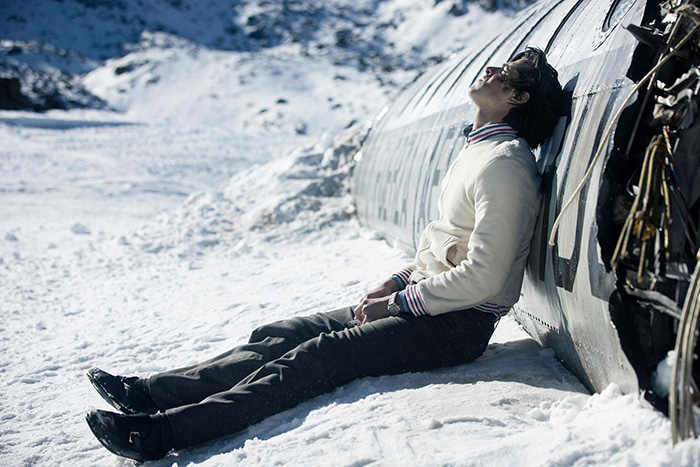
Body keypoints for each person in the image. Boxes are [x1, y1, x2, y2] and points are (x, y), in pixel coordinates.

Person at [86, 47, 563, 462]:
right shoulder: (479, 151)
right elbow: (445, 245)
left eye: (507, 72)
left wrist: (398, 304)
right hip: (431, 303)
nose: (492, 71)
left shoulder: (506, 165)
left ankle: (164, 433)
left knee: (317, 356)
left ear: (517, 98)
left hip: (458, 324)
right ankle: (149, 394)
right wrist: (397, 282)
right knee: (286, 334)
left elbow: (486, 276)